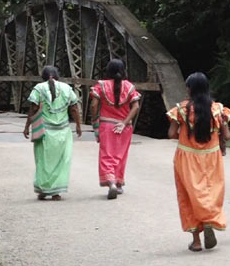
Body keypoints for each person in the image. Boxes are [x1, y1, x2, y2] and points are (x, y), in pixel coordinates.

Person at [167, 73, 230, 251]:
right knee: (211, 191)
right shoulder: (218, 109)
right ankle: (210, 219)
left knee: (188, 195)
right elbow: (226, 135)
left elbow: (171, 134)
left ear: (190, 89)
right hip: (212, 157)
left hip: (186, 157)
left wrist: (183, 128)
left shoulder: (181, 109)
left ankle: (196, 241)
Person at [23, 66, 82, 200]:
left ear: (43, 77)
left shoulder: (38, 88)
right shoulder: (67, 88)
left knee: (43, 161)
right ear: (57, 76)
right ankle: (56, 192)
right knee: (61, 161)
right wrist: (78, 125)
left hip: (44, 132)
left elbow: (33, 109)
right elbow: (73, 108)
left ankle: (43, 190)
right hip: (63, 132)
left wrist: (27, 126)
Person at [90, 59, 141, 200]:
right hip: (124, 127)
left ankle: (111, 182)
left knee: (107, 154)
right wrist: (124, 122)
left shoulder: (101, 85)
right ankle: (118, 184)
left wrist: (94, 120)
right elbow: (136, 107)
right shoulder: (129, 86)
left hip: (107, 125)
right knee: (121, 155)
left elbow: (94, 105)